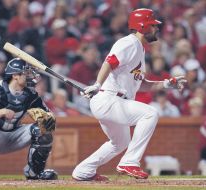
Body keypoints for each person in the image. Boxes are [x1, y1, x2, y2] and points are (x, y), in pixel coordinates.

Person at [72, 8, 187, 181]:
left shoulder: (139, 49)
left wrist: (165, 83)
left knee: (120, 143)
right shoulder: (129, 43)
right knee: (150, 113)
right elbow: (109, 62)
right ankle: (130, 162)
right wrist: (97, 84)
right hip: (110, 99)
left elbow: (142, 85)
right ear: (142, 27)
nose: (156, 28)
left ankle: (83, 171)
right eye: (153, 25)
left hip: (114, 101)